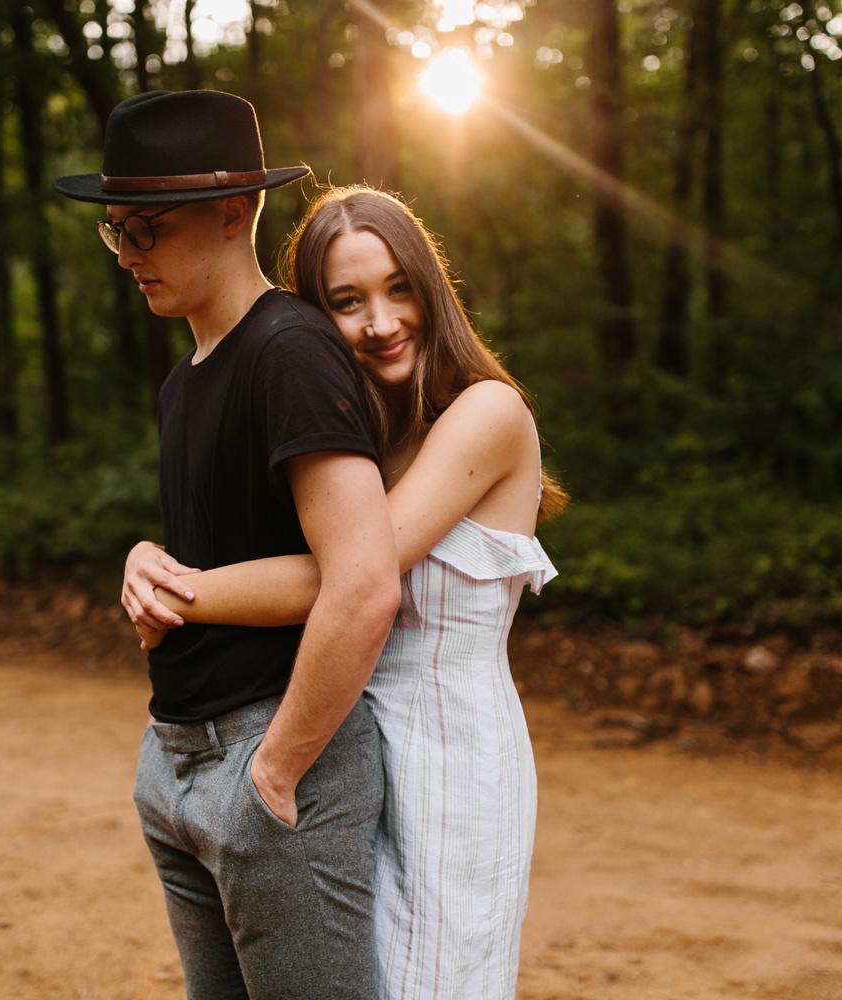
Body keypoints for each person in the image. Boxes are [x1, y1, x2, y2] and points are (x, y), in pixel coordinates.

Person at [124, 185, 568, 1000]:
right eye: (347, 301)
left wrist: (173, 590)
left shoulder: (488, 415)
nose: (382, 322)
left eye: (400, 288)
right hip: (349, 734)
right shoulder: (357, 440)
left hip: (449, 752)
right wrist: (146, 555)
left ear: (432, 290)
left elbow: (353, 576)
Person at [54, 94, 403, 998]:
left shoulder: (289, 349)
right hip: (177, 758)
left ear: (233, 211)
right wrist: (145, 559)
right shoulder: (184, 379)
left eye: (149, 228)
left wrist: (273, 774)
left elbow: (363, 580)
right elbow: (218, 558)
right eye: (116, 229)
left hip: (270, 757)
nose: (127, 254)